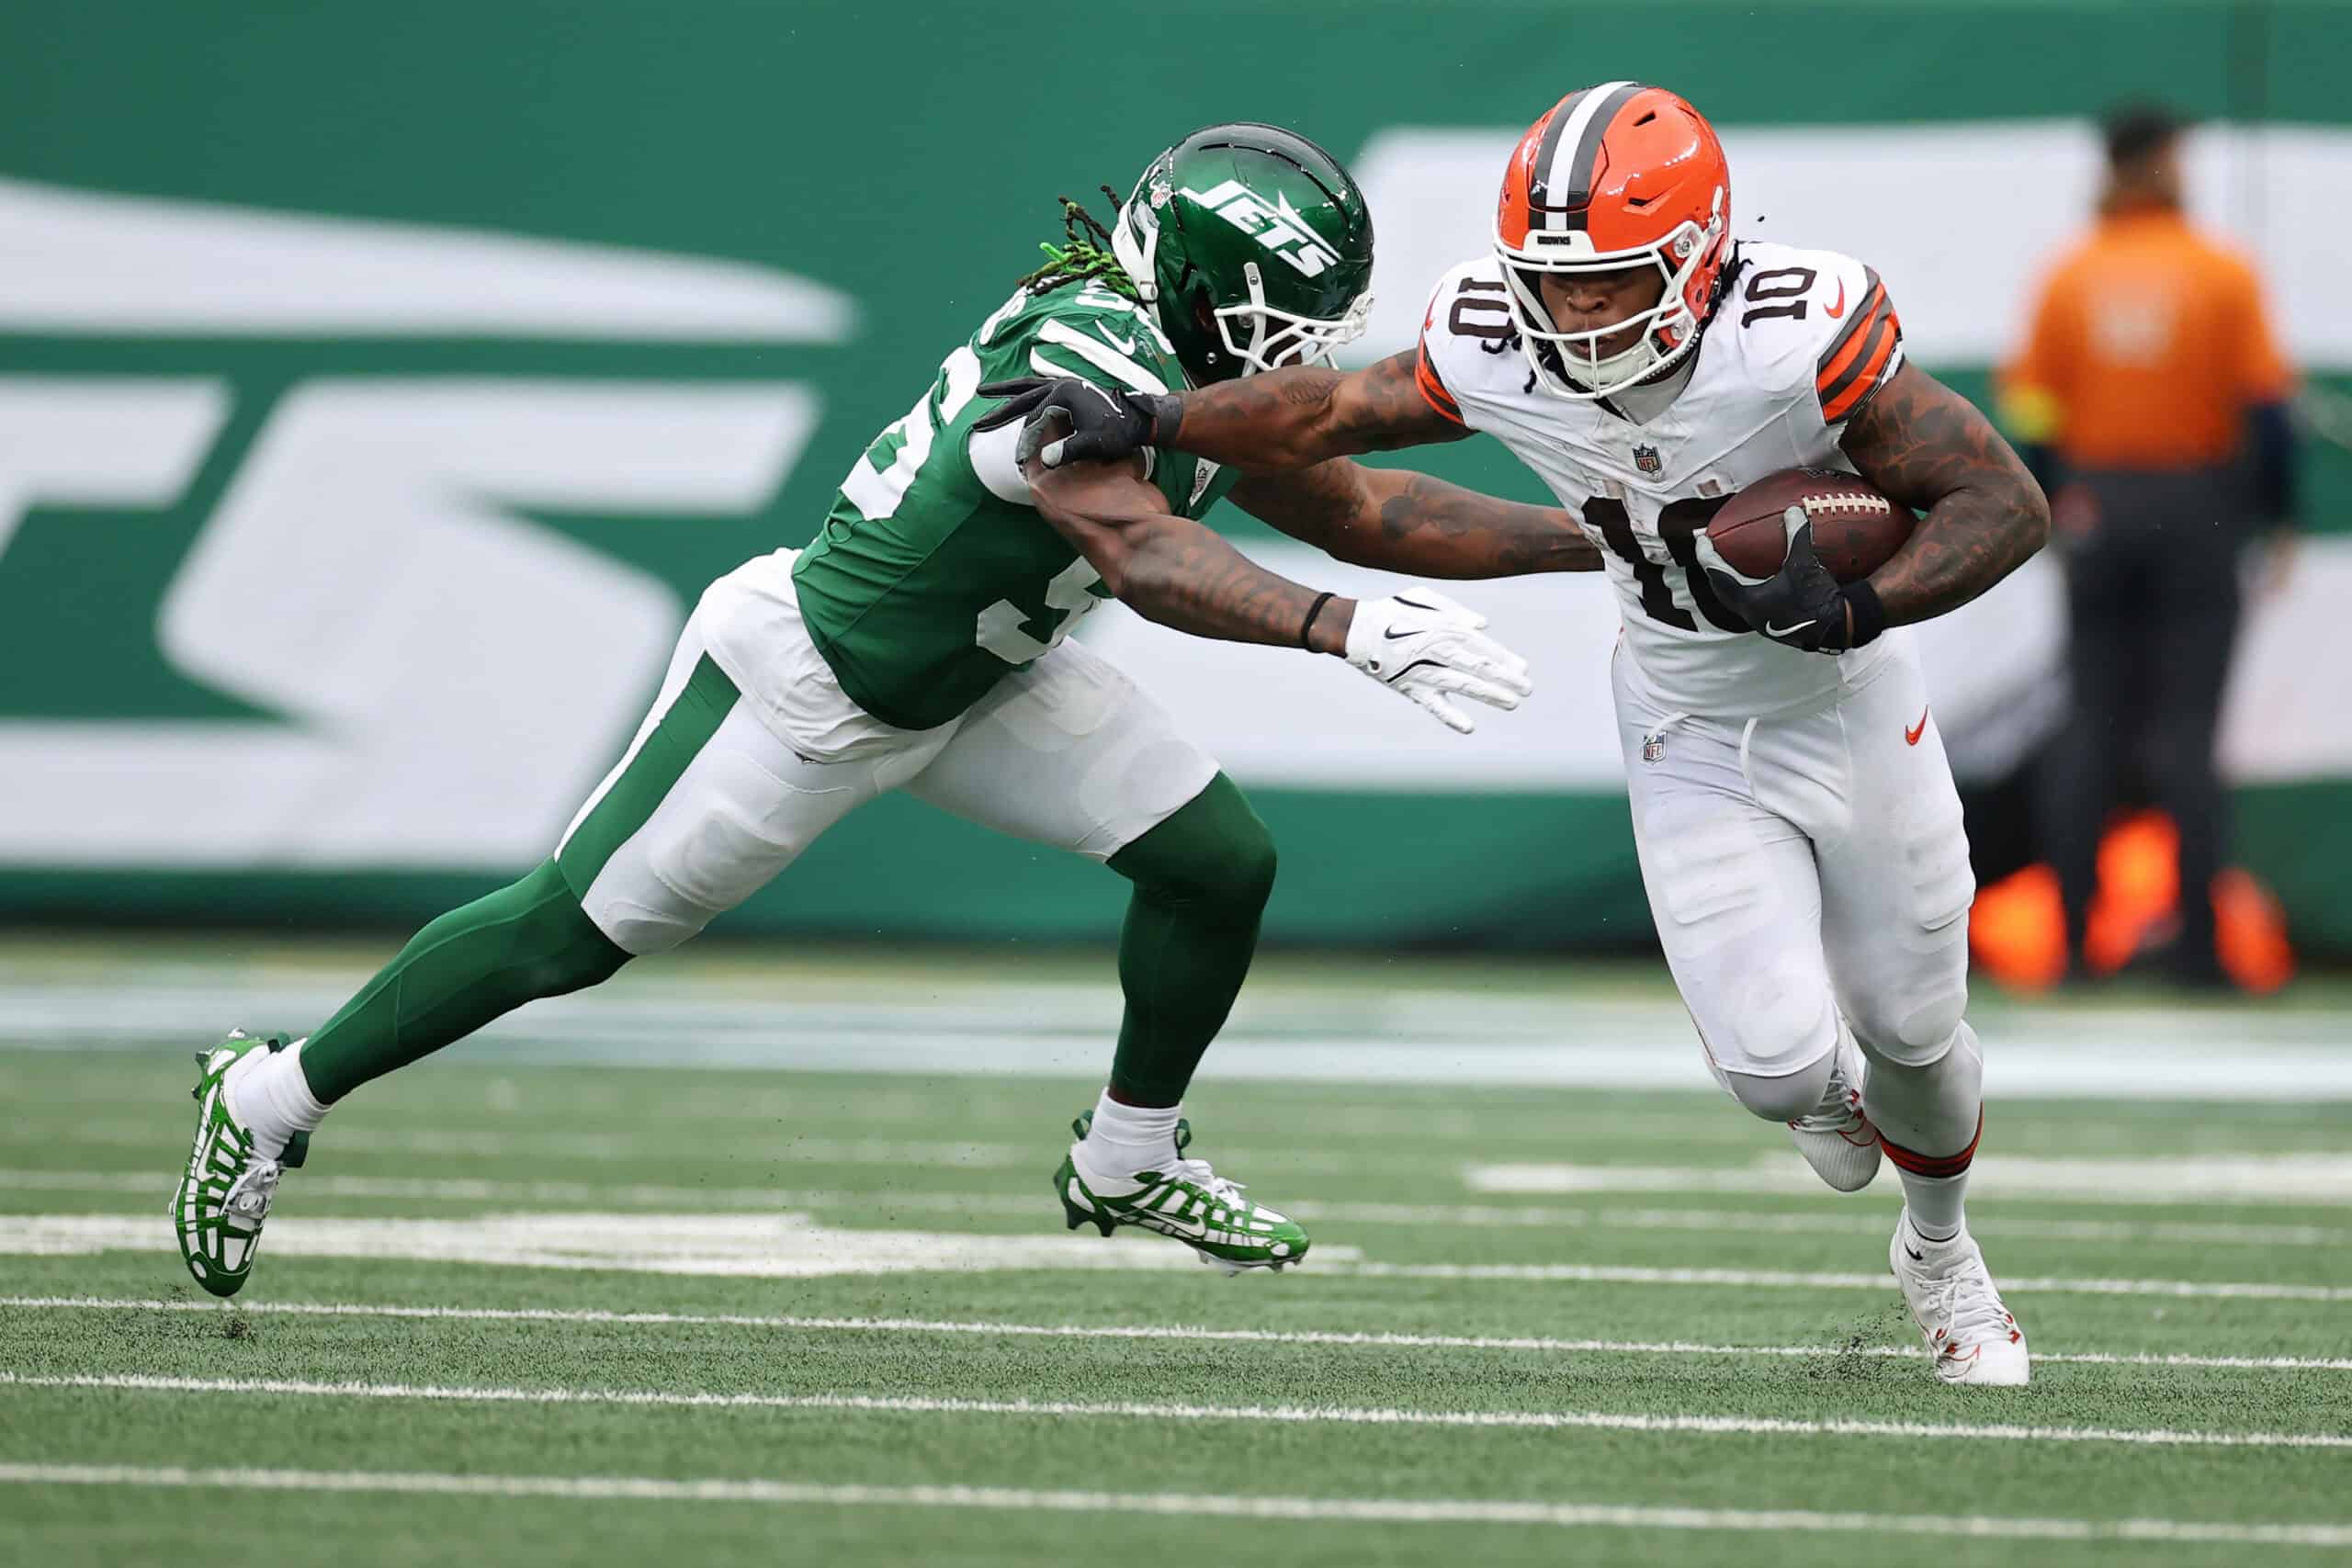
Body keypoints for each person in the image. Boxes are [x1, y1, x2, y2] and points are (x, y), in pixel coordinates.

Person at [172, 123, 1603, 1298]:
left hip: (985, 679)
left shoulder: (1179, 372)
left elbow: (1362, 504)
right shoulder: (1092, 352)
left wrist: (1613, 530)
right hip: (811, 686)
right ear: (1209, 282)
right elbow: (1143, 550)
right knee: (566, 932)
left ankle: (1128, 1153)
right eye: (1282, 316)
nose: (1294, 348)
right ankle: (277, 1093)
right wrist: (1338, 629)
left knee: (1216, 858)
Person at [986, 83, 2052, 1384]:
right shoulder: (1496, 336)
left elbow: (2002, 500)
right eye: (1558, 281)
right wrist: (1158, 419)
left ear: (1703, 251)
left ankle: (1942, 1255)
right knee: (1779, 1070)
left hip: (1852, 699)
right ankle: (1834, 1098)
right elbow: (1331, 415)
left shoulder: (1799, 331)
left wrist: (1859, 602)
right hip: (1685, 714)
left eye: (1612, 281)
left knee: (1917, 1031)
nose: (1580, 311)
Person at [2001, 102, 2300, 989]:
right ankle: (2197, 951)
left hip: (2097, 505)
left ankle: (2074, 944)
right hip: (2196, 505)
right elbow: (2268, 413)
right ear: (2159, 164)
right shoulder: (2220, 273)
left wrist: (2055, 504)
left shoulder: (2072, 276)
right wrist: (2273, 515)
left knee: (2090, 723)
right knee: (2187, 732)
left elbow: (2033, 415)